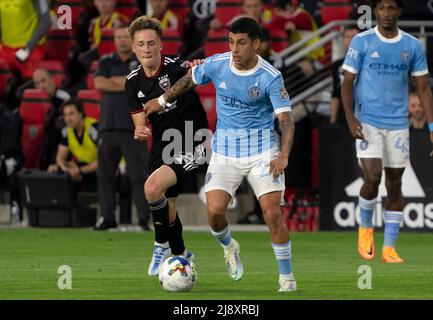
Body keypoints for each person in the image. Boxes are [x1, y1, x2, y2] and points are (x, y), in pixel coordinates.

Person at [143, 17, 297, 292]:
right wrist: (163, 100)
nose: (235, 49)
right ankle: (229, 247)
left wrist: (283, 154)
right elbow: (190, 79)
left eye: (241, 43)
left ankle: (287, 279)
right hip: (225, 151)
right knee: (214, 213)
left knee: (272, 213)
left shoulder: (270, 76)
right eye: (231, 42)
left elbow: (285, 119)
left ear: (256, 44)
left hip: (262, 150)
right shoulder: (218, 64)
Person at [341, 0, 433, 263]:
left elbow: (423, 89)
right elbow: (347, 82)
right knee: (372, 176)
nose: (386, 13)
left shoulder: (412, 45)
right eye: (382, 8)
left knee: (395, 183)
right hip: (367, 120)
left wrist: (432, 125)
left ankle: (389, 247)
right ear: (375, 11)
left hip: (398, 124)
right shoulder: (362, 41)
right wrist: (350, 118)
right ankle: (366, 229)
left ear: (399, 11)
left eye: (392, 8)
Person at [125, 16, 209, 275]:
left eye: (151, 43)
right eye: (141, 44)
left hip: (192, 138)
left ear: (161, 44)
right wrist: (140, 129)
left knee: (152, 188)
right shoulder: (132, 82)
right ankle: (182, 254)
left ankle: (159, 245)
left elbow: (198, 74)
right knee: (167, 208)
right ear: (133, 47)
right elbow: (140, 121)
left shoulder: (175, 67)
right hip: (164, 143)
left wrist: (197, 67)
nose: (147, 49)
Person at [93, 25, 151, 231]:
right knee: (105, 175)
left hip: (133, 127)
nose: (122, 41)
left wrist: (115, 82)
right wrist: (127, 82)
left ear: (133, 40)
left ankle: (144, 219)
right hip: (107, 126)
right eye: (118, 37)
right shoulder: (106, 60)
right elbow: (99, 83)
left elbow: (141, 84)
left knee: (139, 175)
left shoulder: (142, 59)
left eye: (126, 37)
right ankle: (107, 217)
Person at [47, 99, 98, 192]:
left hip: (100, 168)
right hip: (83, 165)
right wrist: (65, 169)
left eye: (71, 114)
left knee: (75, 175)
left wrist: (79, 170)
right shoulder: (67, 131)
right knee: (52, 169)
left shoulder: (93, 127)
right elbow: (60, 157)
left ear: (81, 113)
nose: (68, 118)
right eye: (65, 115)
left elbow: (104, 160)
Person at [0, 0, 50, 80]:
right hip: (6, 50)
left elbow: (45, 21)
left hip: (31, 51)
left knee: (30, 88)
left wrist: (28, 48)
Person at [330, 26, 359, 127]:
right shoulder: (337, 65)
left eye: (354, 37)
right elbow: (335, 93)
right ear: (343, 39)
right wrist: (333, 121)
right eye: (347, 36)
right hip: (344, 114)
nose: (350, 40)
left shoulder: (369, 64)